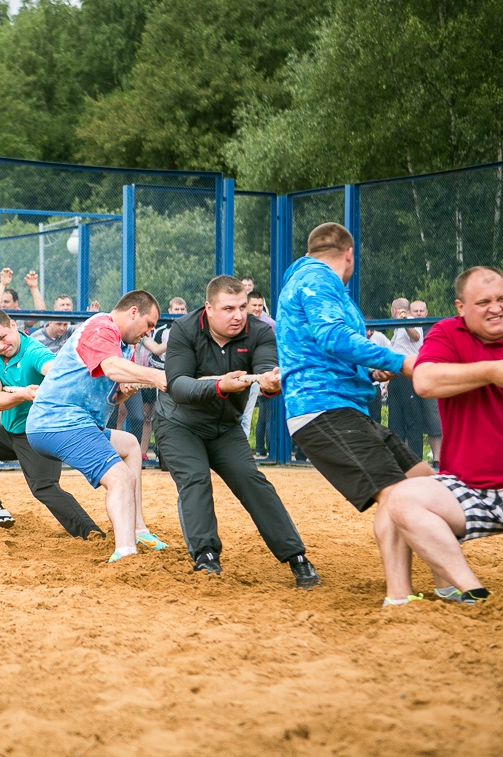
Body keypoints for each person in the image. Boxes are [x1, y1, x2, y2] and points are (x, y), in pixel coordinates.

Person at [276, 222, 434, 608]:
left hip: (346, 407)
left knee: (426, 482)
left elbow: (325, 348)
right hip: (322, 409)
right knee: (397, 496)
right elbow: (332, 336)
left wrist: (369, 370)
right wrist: (402, 363)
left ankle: (448, 581)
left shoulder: (313, 283)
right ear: (350, 254)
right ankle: (400, 596)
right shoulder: (318, 279)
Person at [153, 276, 319, 587]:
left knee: (251, 480)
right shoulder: (185, 330)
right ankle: (206, 556)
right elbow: (178, 385)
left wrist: (271, 383)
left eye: (242, 307)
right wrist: (219, 385)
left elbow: (267, 371)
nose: (238, 315)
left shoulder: (259, 331)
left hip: (224, 425)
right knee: (195, 478)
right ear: (209, 309)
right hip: (178, 423)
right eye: (228, 308)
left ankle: (296, 556)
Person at [387, 267, 503, 605]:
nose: (495, 308)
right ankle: (474, 592)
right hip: (469, 488)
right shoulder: (447, 334)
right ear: (461, 308)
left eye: (502, 299)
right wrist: (492, 371)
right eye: (483, 302)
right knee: (404, 498)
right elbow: (424, 382)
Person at [25, 290, 170, 561]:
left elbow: (112, 395)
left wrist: (123, 393)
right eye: (149, 324)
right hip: (58, 422)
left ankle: (138, 528)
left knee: (129, 444)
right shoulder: (101, 327)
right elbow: (113, 369)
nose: (149, 332)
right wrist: (158, 376)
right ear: (133, 312)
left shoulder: (123, 343)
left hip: (74, 423)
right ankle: (125, 552)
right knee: (121, 479)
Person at [0, 309, 104, 538]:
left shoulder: (34, 351)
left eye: (3, 337)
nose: (0, 346)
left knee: (43, 487)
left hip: (38, 434)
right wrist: (24, 395)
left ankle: (91, 533)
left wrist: (55, 379)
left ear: (13, 325)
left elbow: (53, 368)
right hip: (10, 433)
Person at [388, 297, 442, 467]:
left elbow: (416, 336)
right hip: (395, 375)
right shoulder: (396, 328)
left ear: (394, 310)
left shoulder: (411, 321)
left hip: (408, 374)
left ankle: (416, 460)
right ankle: (398, 460)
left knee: (413, 419)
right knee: (395, 420)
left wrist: (406, 321)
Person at [136, 296, 188, 465]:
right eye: (176, 310)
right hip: (155, 378)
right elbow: (157, 351)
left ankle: (177, 454)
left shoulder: (190, 329)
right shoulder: (160, 331)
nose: (179, 313)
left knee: (180, 415)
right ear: (169, 311)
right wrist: (177, 337)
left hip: (181, 377)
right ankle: (148, 453)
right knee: (148, 416)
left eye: (182, 309)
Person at [239, 291, 275, 442]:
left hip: (255, 376)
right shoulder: (238, 322)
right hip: (236, 375)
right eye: (254, 305)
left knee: (247, 416)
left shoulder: (270, 324)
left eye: (260, 305)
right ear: (246, 305)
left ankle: (243, 451)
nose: (257, 308)